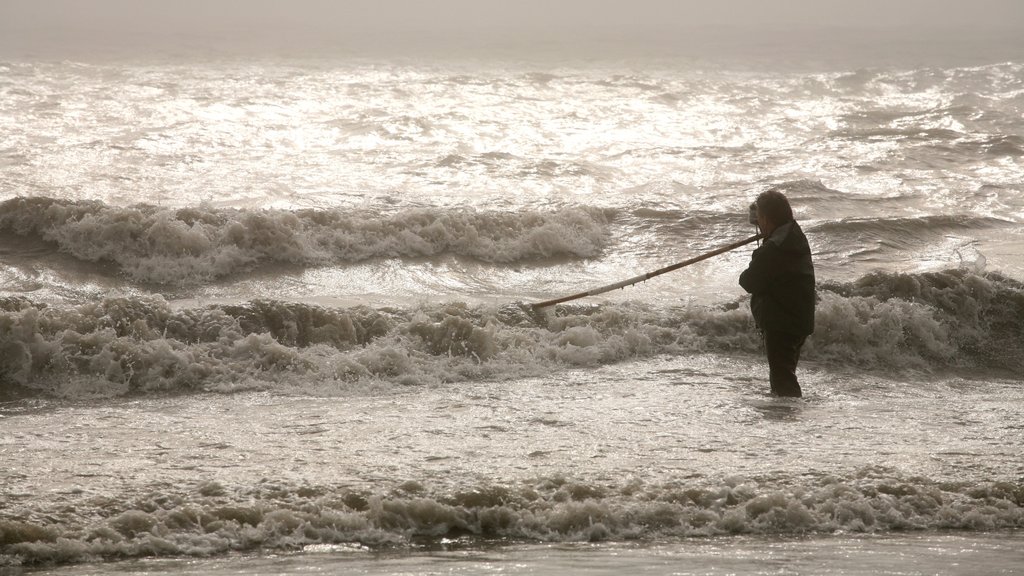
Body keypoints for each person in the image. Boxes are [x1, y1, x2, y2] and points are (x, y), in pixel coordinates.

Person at [739, 189, 815, 397]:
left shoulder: (774, 248)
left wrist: (762, 247)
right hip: (796, 317)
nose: (759, 224)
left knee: (783, 378)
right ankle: (787, 414)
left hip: (782, 321)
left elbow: (748, 281)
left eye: (760, 218)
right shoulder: (793, 232)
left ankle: (787, 418)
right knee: (785, 373)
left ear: (767, 218)